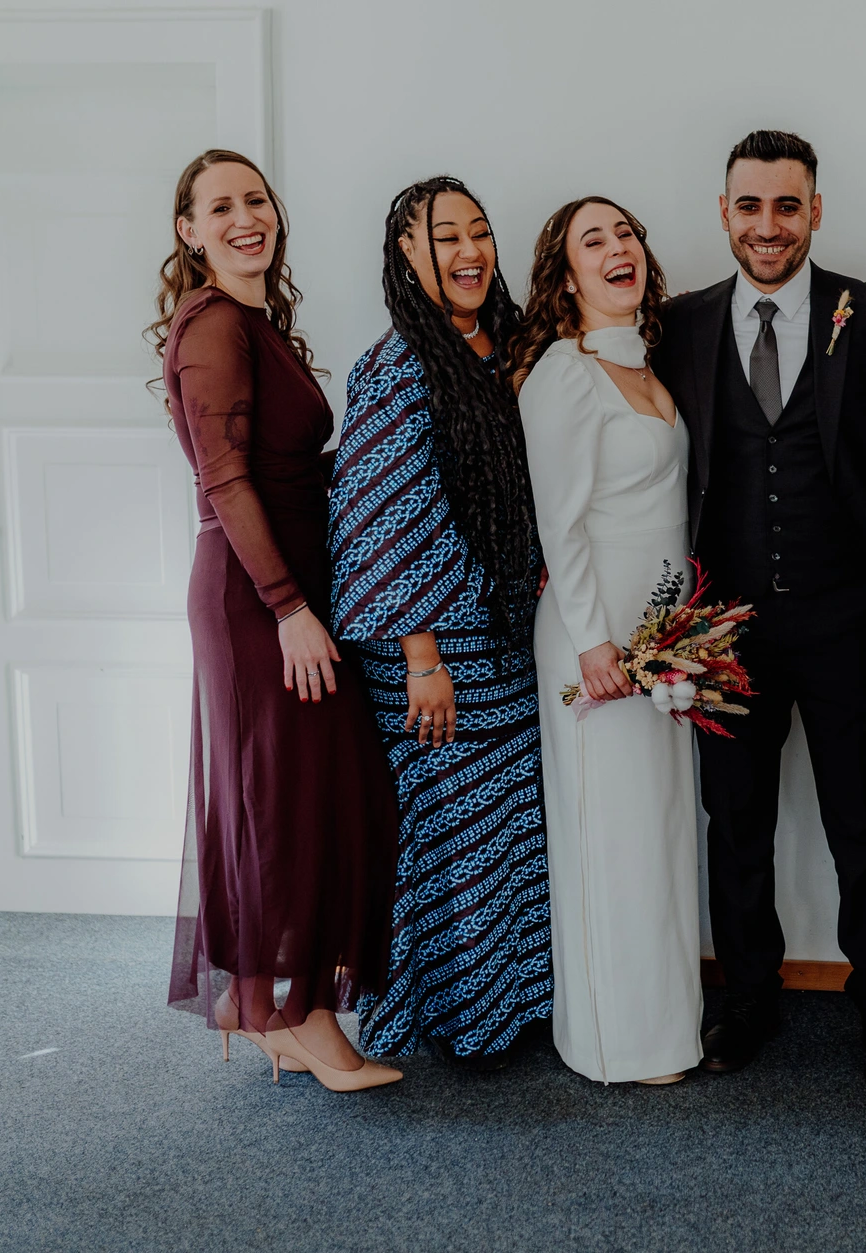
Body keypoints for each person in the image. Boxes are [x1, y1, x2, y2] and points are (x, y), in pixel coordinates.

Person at [650, 131, 866, 1092]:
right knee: (732, 819)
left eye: (788, 206)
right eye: (750, 206)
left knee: (864, 820)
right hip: (722, 628)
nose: (768, 226)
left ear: (816, 210)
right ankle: (746, 994)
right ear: (725, 212)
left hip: (845, 616)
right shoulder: (682, 323)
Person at [157, 149, 402, 1092]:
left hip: (284, 592)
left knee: (300, 802)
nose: (244, 217)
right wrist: (291, 608)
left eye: (255, 199)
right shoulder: (217, 325)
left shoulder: (255, 322)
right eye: (220, 207)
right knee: (293, 806)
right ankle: (294, 1015)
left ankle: (257, 1001)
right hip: (260, 600)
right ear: (189, 231)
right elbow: (225, 479)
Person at [327, 176, 554, 1069]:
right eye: (443, 237)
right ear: (406, 257)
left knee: (505, 828)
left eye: (480, 232)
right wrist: (422, 655)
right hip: (433, 647)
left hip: (502, 633)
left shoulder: (508, 348)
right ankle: (452, 1020)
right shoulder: (397, 365)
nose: (468, 251)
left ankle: (506, 1009)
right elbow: (384, 510)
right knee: (449, 837)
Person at [512, 197, 701, 1086]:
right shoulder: (564, 373)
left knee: (658, 830)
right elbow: (562, 522)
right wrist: (594, 644)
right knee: (611, 836)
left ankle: (665, 1031)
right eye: (596, 240)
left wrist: (677, 630)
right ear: (568, 272)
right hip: (597, 641)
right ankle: (613, 1044)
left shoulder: (648, 367)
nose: (618, 247)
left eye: (627, 232)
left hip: (662, 633)